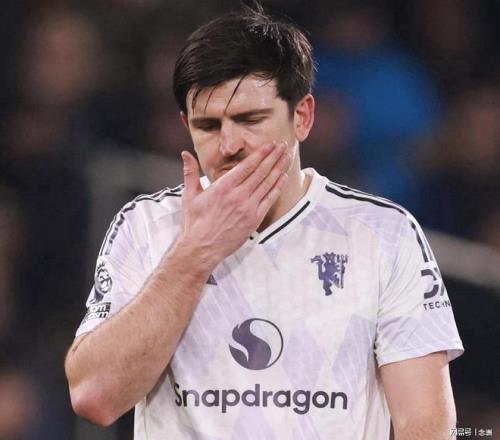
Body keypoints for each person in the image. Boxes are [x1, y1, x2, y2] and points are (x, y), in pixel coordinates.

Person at [65, 4, 464, 439]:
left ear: (302, 117)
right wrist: (195, 254)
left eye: (250, 120)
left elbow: (426, 422)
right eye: (207, 125)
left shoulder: (384, 234)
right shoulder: (146, 225)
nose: (229, 145)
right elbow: (94, 396)